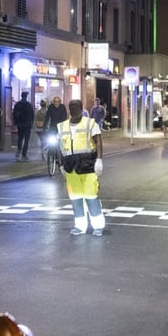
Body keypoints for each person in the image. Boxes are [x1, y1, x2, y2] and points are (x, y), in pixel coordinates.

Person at [56, 99, 105, 236]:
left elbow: (98, 142)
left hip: (88, 166)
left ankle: (97, 226)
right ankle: (80, 226)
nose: (74, 109)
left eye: (76, 106)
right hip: (70, 168)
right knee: (75, 197)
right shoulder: (62, 126)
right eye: (71, 107)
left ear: (82, 108)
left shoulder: (90, 123)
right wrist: (61, 165)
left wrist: (99, 160)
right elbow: (59, 148)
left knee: (91, 196)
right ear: (68, 109)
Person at [12, 91, 34, 161]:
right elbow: (32, 115)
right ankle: (24, 154)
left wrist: (15, 122)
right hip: (27, 125)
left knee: (20, 138)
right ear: (26, 96)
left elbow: (14, 114)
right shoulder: (28, 105)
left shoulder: (17, 104)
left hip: (20, 125)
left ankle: (18, 150)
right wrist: (31, 123)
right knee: (26, 140)